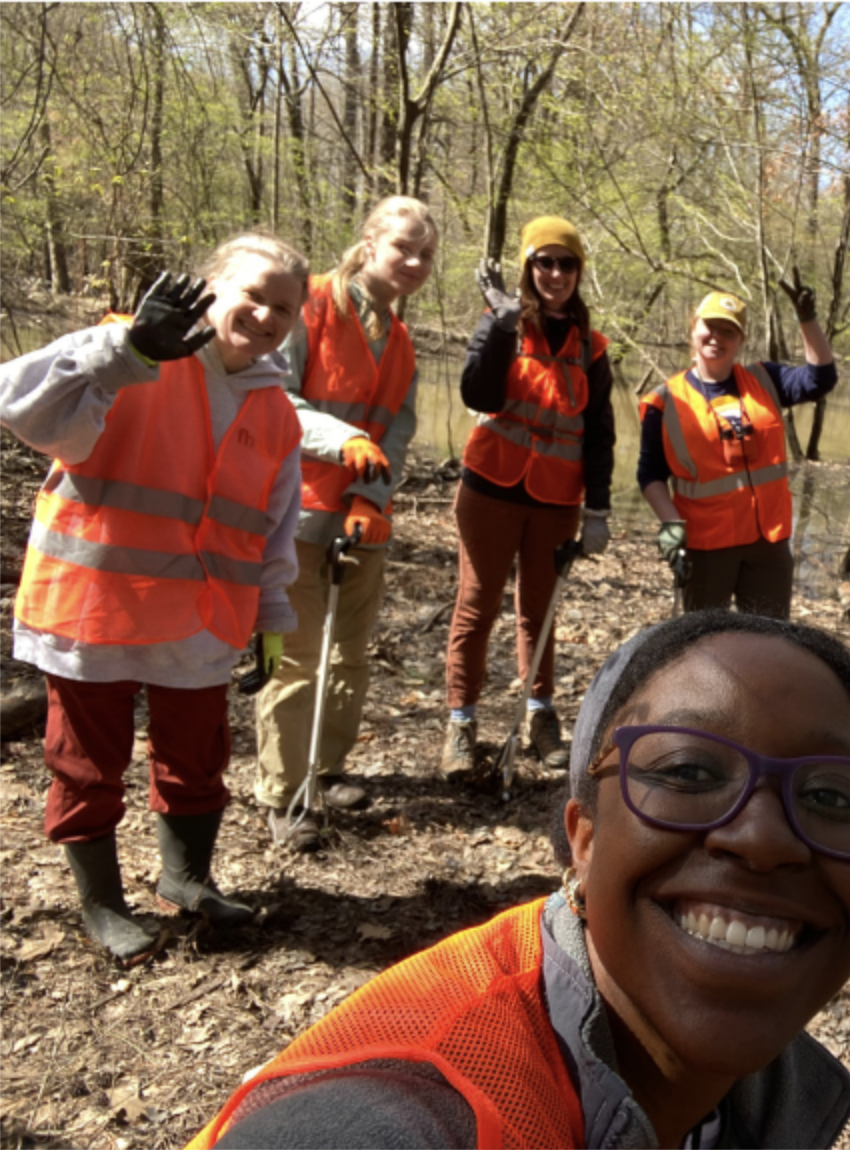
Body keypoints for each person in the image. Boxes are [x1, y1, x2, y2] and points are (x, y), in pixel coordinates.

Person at [188, 609, 850, 1149]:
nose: (763, 838)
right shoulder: (409, 1114)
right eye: (689, 772)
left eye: (829, 796)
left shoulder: (761, 1097)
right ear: (584, 840)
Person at [0, 233, 309, 964]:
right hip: (94, 605)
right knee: (86, 762)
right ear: (211, 287)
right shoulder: (132, 349)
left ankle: (187, 878)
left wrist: (271, 619)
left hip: (202, 620)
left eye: (284, 307)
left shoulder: (277, 410)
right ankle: (102, 904)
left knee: (198, 757)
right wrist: (129, 352)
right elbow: (21, 404)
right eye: (253, 295)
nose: (266, 315)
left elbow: (274, 527)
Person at [253, 196, 437, 851]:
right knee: (296, 660)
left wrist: (372, 497)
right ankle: (283, 794)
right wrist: (344, 442)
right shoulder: (309, 306)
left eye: (425, 255)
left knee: (350, 653)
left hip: (361, 516)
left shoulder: (403, 337)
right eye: (402, 248)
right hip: (294, 510)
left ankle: (325, 769)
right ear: (369, 242)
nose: (414, 262)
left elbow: (402, 426)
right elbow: (278, 399)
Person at [442, 216, 615, 775]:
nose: (556, 273)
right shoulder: (502, 323)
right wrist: (500, 324)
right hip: (489, 488)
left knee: (538, 613)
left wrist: (598, 509)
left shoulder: (593, 345)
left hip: (555, 499)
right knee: (477, 606)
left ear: (578, 271)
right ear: (527, 267)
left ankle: (540, 718)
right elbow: (478, 391)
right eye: (545, 262)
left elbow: (600, 434)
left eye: (567, 263)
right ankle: (461, 726)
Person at [638, 273, 835, 618]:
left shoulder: (765, 380)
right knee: (705, 646)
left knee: (769, 645)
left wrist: (808, 320)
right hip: (705, 544)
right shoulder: (664, 401)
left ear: (741, 339)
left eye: (728, 330)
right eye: (709, 327)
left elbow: (821, 379)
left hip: (768, 543)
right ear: (693, 329)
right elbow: (650, 474)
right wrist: (670, 525)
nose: (716, 337)